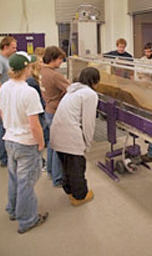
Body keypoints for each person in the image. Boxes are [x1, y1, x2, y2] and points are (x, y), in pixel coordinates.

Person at [0, 51, 48, 233]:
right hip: (26, 143)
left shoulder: (4, 87)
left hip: (9, 140)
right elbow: (34, 125)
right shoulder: (28, 92)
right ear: (26, 68)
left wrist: (12, 128)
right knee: (26, 182)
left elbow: (3, 114)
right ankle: (27, 220)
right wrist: (41, 143)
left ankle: (12, 209)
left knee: (14, 177)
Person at [50, 67, 100, 206]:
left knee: (66, 165)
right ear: (95, 81)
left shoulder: (72, 90)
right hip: (69, 135)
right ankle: (80, 196)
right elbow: (88, 122)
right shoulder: (89, 94)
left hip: (57, 133)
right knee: (77, 167)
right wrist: (87, 143)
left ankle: (70, 191)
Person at [40, 46, 70, 187]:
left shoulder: (42, 71)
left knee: (52, 144)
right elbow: (70, 89)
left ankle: (51, 172)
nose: (61, 62)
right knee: (59, 146)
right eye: (60, 60)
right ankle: (58, 178)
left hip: (48, 110)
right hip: (56, 111)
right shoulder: (55, 75)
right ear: (53, 59)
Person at [0, 36, 17, 167]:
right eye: (13, 47)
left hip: (8, 98)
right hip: (3, 100)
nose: (15, 50)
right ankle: (4, 158)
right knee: (5, 128)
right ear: (5, 47)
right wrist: (4, 94)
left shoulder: (7, 60)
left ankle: (8, 156)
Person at [26, 52, 47, 171]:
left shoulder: (34, 79)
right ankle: (39, 163)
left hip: (39, 110)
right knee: (36, 140)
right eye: (40, 62)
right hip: (37, 112)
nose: (42, 64)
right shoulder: (31, 82)